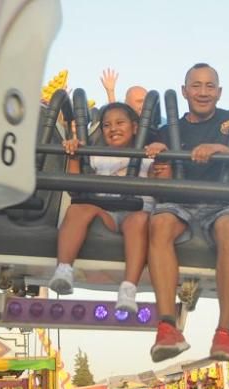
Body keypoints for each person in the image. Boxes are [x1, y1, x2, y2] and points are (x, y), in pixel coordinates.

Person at [144, 63, 229, 362]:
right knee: (159, 222)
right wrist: (157, 160)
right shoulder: (167, 129)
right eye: (196, 85)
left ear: (219, 91)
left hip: (227, 202)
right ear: (185, 90)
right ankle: (166, 326)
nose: (203, 92)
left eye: (209, 86)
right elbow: (154, 180)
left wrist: (224, 151)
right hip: (181, 201)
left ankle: (224, 332)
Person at [48, 102, 155, 315]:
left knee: (139, 221)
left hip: (136, 212)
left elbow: (163, 184)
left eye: (119, 123)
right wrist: (74, 156)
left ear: (135, 127)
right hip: (106, 212)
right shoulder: (97, 155)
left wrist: (161, 154)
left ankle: (128, 288)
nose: (113, 128)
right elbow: (75, 186)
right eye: (106, 125)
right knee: (78, 209)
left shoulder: (147, 156)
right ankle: (63, 269)